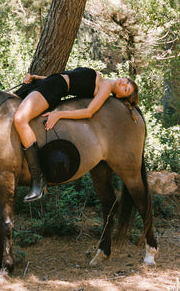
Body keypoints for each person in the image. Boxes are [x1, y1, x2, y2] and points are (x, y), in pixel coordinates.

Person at [13, 67, 139, 202]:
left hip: (53, 88)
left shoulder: (106, 87)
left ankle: (38, 178)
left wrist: (59, 114)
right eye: (127, 82)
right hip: (49, 82)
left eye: (126, 89)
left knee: (20, 119)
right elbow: (67, 76)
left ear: (119, 96)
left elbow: (89, 112)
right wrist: (37, 78)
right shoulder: (101, 79)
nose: (124, 84)